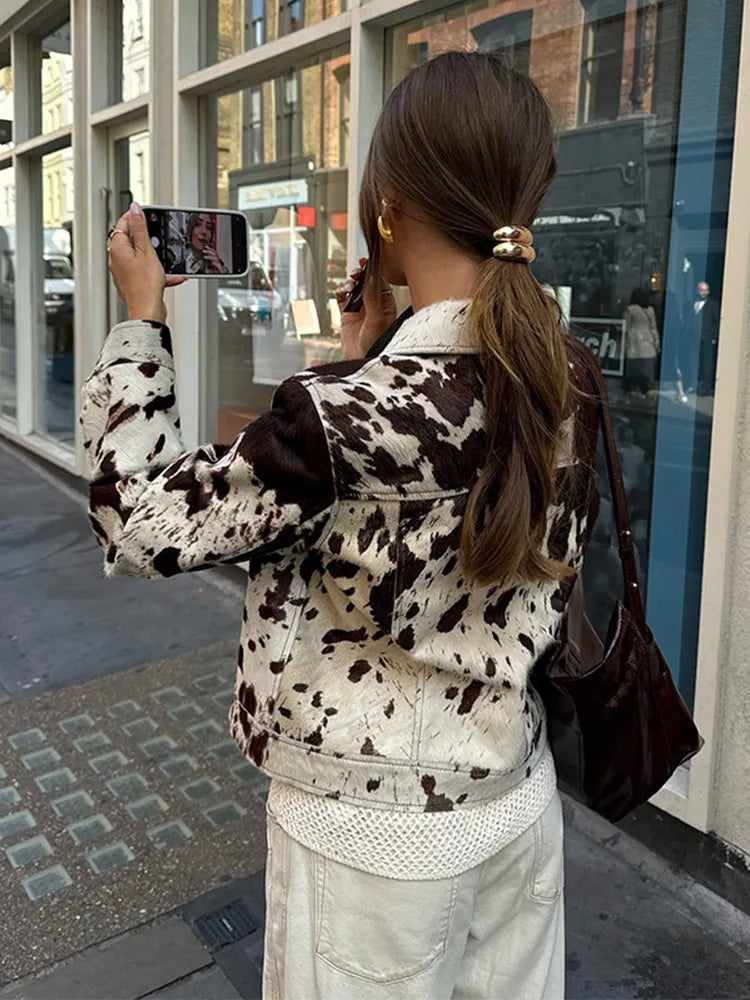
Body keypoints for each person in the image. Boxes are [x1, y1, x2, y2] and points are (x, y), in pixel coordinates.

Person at [85, 53, 600, 1000]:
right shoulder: (564, 372)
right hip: (515, 802)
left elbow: (140, 522)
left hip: (372, 844)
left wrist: (140, 320)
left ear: (390, 205)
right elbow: (421, 455)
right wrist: (360, 356)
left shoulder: (343, 420)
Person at [622, 286, 660, 395]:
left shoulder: (630, 309)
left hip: (635, 341)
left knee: (634, 366)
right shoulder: (651, 310)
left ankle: (630, 389)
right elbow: (653, 328)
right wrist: (657, 343)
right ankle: (645, 389)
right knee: (646, 367)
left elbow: (625, 326)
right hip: (648, 342)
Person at [692, 280, 720, 395]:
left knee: (706, 363)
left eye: (705, 290)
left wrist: (714, 337)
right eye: (701, 290)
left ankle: (706, 387)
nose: (703, 292)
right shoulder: (690, 304)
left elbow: (717, 322)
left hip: (707, 338)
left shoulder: (713, 305)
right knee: (692, 362)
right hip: (693, 338)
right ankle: (693, 385)